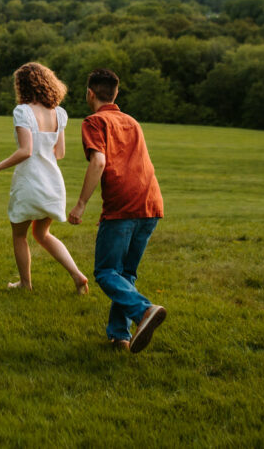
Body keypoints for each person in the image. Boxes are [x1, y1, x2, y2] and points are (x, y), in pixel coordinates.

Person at [67, 68, 166, 353]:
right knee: (125, 274)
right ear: (116, 93)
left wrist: (81, 204)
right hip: (151, 204)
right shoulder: (132, 121)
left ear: (90, 93)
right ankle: (119, 336)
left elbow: (98, 162)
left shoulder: (94, 121)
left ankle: (144, 311)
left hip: (123, 208)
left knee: (106, 272)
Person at [0, 62, 90, 294]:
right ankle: (78, 276)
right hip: (52, 182)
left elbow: (26, 150)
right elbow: (59, 153)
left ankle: (25, 284)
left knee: (19, 235)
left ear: (22, 86)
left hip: (30, 182)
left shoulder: (23, 112)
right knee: (42, 234)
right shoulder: (59, 113)